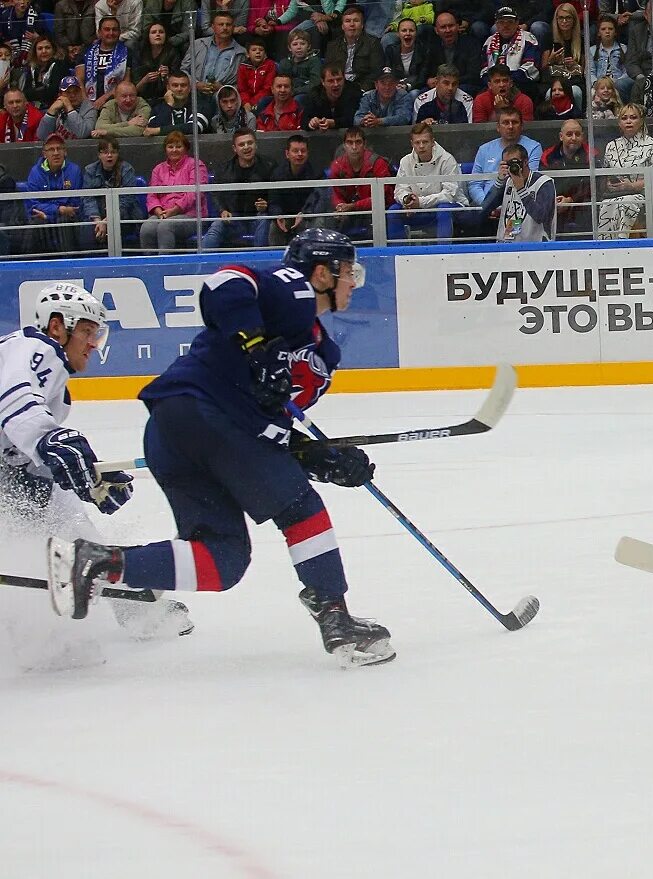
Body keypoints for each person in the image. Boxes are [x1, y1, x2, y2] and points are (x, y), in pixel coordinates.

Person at [45, 230, 394, 667]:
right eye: (348, 272)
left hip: (174, 431)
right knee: (301, 508)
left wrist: (320, 456)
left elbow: (271, 426)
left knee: (223, 559)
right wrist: (255, 344)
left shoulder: (322, 354)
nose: (353, 283)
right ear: (321, 273)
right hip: (205, 412)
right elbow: (221, 285)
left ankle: (97, 563)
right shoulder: (293, 290)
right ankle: (336, 617)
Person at [0, 283, 193, 639]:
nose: (93, 343)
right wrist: (48, 440)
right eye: (87, 331)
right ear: (57, 327)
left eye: (96, 333)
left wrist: (89, 478)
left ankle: (130, 606)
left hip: (11, 475)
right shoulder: (36, 349)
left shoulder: (36, 361)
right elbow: (15, 403)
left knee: (72, 525)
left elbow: (17, 444)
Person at [466, 106, 542, 237]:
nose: (510, 126)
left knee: (512, 236)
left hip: (518, 207)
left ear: (522, 125)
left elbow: (531, 178)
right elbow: (474, 183)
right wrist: (488, 204)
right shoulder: (484, 149)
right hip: (487, 207)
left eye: (515, 122)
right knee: (471, 221)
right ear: (498, 127)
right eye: (506, 122)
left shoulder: (534, 147)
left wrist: (504, 207)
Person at [201, 127, 274, 251]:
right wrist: (222, 210)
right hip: (233, 219)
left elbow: (277, 194)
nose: (246, 147)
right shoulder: (223, 170)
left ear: (256, 145)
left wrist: (267, 204)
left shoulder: (269, 166)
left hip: (257, 218)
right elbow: (215, 194)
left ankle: (259, 262)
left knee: (265, 219)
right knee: (216, 226)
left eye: (250, 143)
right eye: (241, 144)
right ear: (235, 149)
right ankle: (201, 262)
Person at [391, 121, 466, 241]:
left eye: (425, 142)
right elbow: (400, 190)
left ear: (433, 142)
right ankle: (397, 253)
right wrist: (407, 201)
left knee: (443, 208)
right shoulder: (405, 161)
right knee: (393, 211)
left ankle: (443, 252)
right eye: (417, 142)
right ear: (412, 144)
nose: (421, 146)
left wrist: (420, 202)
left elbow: (449, 195)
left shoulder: (447, 160)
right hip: (416, 209)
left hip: (450, 208)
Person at [139, 130, 209, 253]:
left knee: (165, 226)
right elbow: (152, 195)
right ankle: (149, 268)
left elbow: (195, 193)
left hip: (191, 215)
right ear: (165, 149)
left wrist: (174, 210)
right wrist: (159, 211)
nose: (174, 150)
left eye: (178, 146)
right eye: (170, 147)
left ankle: (165, 266)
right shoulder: (158, 169)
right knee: (146, 228)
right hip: (163, 213)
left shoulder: (196, 165)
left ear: (186, 148)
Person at [598, 102, 653, 239]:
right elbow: (605, 175)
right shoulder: (611, 145)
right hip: (615, 194)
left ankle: (622, 241)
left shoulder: (651, 144)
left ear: (641, 121)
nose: (629, 121)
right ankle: (606, 246)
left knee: (625, 202)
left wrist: (631, 185)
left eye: (633, 117)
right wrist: (609, 184)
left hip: (642, 195)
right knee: (605, 203)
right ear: (619, 123)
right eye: (624, 118)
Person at [327, 126, 395, 238]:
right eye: (350, 142)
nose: (354, 147)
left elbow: (381, 198)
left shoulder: (378, 163)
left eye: (358, 142)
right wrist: (340, 206)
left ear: (364, 144)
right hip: (348, 212)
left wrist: (352, 206)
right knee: (328, 218)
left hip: (378, 211)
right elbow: (335, 193)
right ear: (344, 145)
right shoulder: (337, 166)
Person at [26, 132, 87, 252]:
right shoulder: (35, 173)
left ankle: (69, 263)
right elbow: (33, 205)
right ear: (44, 154)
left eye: (59, 148)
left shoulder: (74, 171)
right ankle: (40, 266)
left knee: (63, 221)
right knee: (38, 222)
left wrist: (50, 211)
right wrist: (58, 209)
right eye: (51, 149)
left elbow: (75, 203)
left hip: (67, 218)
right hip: (44, 217)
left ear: (65, 152)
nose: (56, 153)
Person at [82, 133, 145, 248]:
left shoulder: (127, 170)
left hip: (125, 216)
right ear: (99, 155)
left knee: (114, 227)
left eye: (113, 152)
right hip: (98, 217)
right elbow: (88, 198)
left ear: (118, 154)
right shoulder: (90, 171)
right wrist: (98, 220)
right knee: (85, 231)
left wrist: (107, 221)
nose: (109, 156)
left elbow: (126, 201)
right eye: (105, 152)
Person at [488, 143, 556, 242]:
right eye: (507, 164)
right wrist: (499, 181)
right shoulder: (508, 182)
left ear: (525, 162)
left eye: (514, 163)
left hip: (536, 248)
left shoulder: (544, 183)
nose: (512, 167)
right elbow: (485, 208)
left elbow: (540, 216)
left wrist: (521, 190)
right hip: (506, 245)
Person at [181, 10, 247, 110]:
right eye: (221, 24)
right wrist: (195, 84)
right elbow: (183, 70)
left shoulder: (241, 53)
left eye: (228, 25)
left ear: (233, 27)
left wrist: (222, 88)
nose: (225, 28)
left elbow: (242, 84)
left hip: (223, 102)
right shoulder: (197, 44)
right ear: (213, 27)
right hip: (194, 96)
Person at [540, 117, 594, 235]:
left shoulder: (592, 154)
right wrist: (555, 200)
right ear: (561, 136)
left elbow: (595, 186)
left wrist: (571, 200)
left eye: (577, 134)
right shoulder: (548, 156)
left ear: (583, 136)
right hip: (555, 205)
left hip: (582, 207)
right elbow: (543, 184)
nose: (574, 138)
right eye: (569, 134)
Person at [268, 133, 323, 246]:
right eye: (295, 151)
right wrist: (278, 215)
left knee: (319, 221)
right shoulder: (277, 174)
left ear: (307, 153)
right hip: (286, 216)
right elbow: (273, 201)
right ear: (287, 154)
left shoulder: (317, 173)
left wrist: (305, 213)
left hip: (307, 216)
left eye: (303, 151)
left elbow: (318, 198)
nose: (299, 154)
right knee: (274, 226)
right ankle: (276, 257)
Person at [411, 10, 482, 93]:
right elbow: (424, 70)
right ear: (436, 30)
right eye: (443, 27)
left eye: (451, 26)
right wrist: (428, 80)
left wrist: (448, 82)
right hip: (437, 87)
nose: (448, 30)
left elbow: (473, 75)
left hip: (461, 85)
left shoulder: (472, 44)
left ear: (458, 26)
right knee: (415, 93)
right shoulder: (431, 46)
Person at [480, 6, 540, 101]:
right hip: (494, 86)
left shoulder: (528, 39)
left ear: (517, 23)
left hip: (520, 85)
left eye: (510, 22)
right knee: (481, 97)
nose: (505, 26)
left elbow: (531, 67)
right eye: (501, 22)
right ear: (496, 24)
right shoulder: (489, 41)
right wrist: (494, 82)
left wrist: (506, 81)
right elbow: (484, 69)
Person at [324, 4, 384, 89]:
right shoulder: (333, 45)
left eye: (356, 21)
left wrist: (362, 89)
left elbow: (376, 72)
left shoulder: (373, 43)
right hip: (337, 86)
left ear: (362, 25)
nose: (352, 24)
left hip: (362, 87)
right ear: (342, 26)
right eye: (348, 21)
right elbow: (327, 71)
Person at [143, 69, 210, 134]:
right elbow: (152, 127)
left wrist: (158, 131)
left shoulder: (200, 106)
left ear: (189, 88)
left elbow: (195, 127)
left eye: (183, 85)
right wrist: (169, 105)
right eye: (175, 85)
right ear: (168, 88)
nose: (179, 89)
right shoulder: (158, 109)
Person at [132, 21, 183, 105]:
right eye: (153, 32)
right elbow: (134, 89)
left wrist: (167, 77)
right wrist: (145, 80)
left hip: (166, 98)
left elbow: (178, 85)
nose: (158, 34)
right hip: (141, 99)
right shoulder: (139, 52)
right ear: (148, 36)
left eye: (161, 32)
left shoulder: (172, 52)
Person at [36, 75, 101, 139]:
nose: (72, 95)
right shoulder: (57, 108)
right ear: (60, 95)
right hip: (58, 148)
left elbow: (82, 134)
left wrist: (69, 108)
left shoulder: (90, 109)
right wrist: (51, 111)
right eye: (68, 92)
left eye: (76, 91)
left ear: (81, 92)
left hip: (80, 148)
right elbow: (42, 136)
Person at [302, 62, 363, 129]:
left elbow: (353, 119)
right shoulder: (314, 94)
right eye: (331, 81)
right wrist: (311, 123)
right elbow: (304, 122)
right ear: (323, 82)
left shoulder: (354, 92)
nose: (336, 84)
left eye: (339, 79)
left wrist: (334, 123)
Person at [587, 14, 632, 101]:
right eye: (603, 29)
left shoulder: (624, 49)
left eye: (610, 29)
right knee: (592, 93)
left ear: (615, 32)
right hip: (599, 86)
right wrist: (597, 84)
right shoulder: (592, 50)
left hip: (617, 84)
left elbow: (627, 71)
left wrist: (616, 83)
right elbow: (590, 72)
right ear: (599, 33)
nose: (607, 31)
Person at [19, 36, 71, 110]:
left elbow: (52, 92)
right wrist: (42, 90)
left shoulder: (59, 65)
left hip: (55, 108)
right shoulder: (32, 67)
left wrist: (34, 92)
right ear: (35, 52)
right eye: (40, 48)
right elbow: (25, 93)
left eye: (47, 48)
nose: (44, 51)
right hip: (34, 109)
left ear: (53, 49)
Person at [278, 28, 322, 97]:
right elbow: (280, 81)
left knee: (298, 99)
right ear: (289, 48)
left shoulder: (314, 61)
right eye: (295, 44)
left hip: (306, 94)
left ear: (308, 46)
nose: (299, 47)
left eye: (302, 44)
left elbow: (315, 84)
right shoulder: (285, 62)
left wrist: (295, 91)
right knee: (265, 100)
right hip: (287, 92)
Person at [237, 38, 277, 112]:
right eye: (254, 50)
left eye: (261, 50)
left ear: (265, 54)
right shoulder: (243, 67)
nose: (258, 52)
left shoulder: (270, 65)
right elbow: (242, 89)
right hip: (247, 101)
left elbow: (268, 88)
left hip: (265, 99)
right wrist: (246, 102)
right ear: (248, 54)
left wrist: (252, 102)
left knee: (263, 102)